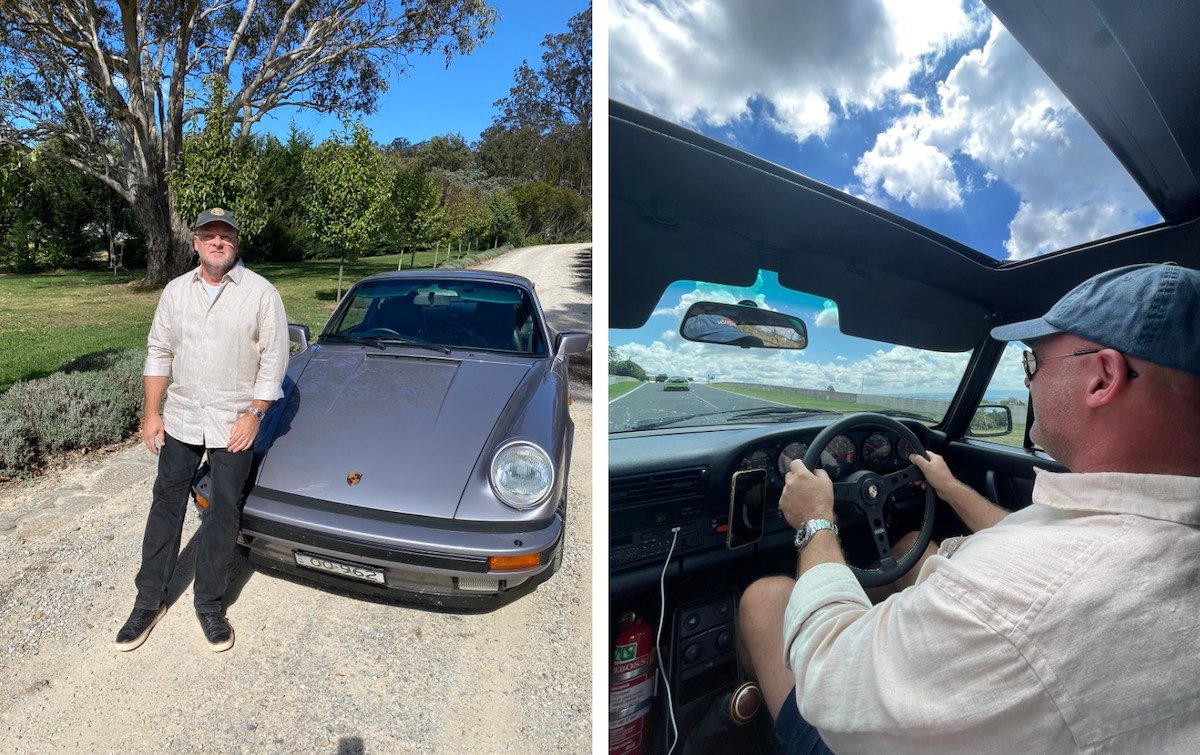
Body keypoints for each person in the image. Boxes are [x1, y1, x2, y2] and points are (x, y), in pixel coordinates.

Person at [738, 262, 1200, 752]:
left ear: (1102, 377)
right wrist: (949, 486)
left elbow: (828, 676)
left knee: (767, 597)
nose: (1028, 384)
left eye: (1033, 364)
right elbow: (1035, 543)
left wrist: (815, 520)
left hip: (842, 713)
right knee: (910, 546)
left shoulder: (1023, 597)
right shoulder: (1142, 525)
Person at [114, 208, 289, 653]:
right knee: (165, 505)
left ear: (235, 242)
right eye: (208, 235)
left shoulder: (261, 294)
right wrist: (152, 413)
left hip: (234, 424)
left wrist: (255, 414)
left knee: (223, 511)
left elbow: (274, 361)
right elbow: (158, 353)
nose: (217, 242)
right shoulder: (175, 293)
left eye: (225, 236)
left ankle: (209, 604)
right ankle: (148, 601)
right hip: (183, 418)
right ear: (195, 243)